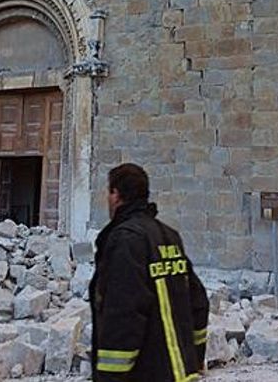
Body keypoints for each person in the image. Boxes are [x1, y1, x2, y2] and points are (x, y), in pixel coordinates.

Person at [89, 163, 208, 381]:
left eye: (108, 192)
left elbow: (124, 313)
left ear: (116, 194)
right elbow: (199, 302)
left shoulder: (125, 240)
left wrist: (110, 376)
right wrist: (196, 356)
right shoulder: (169, 237)